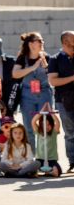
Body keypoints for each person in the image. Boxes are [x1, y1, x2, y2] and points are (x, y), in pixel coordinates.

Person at [12, 32, 55, 149]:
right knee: (28, 126)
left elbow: (52, 77)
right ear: (31, 44)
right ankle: (32, 155)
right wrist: (32, 67)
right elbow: (15, 74)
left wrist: (46, 67)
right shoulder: (22, 58)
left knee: (45, 125)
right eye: (39, 41)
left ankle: (45, 157)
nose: (42, 43)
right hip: (27, 95)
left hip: (44, 93)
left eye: (42, 40)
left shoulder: (48, 58)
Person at [47, 31, 74, 173]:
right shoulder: (55, 59)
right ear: (64, 43)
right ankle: (73, 161)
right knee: (70, 132)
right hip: (64, 101)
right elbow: (53, 81)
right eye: (72, 43)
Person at [31, 108, 62, 177]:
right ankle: (35, 172)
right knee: (33, 165)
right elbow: (33, 121)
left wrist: (51, 112)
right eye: (43, 124)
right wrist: (41, 112)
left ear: (52, 124)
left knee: (58, 170)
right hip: (40, 159)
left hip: (51, 159)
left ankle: (50, 172)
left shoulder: (54, 132)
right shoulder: (39, 132)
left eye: (48, 124)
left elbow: (57, 122)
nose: (46, 127)